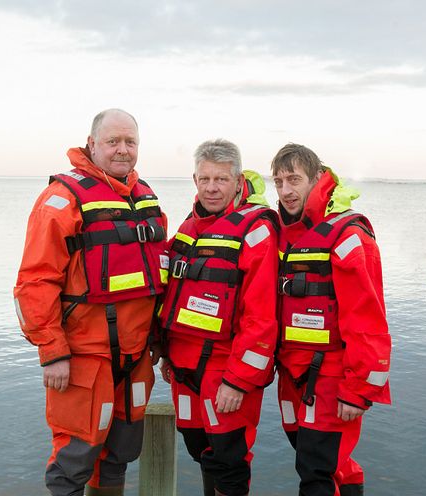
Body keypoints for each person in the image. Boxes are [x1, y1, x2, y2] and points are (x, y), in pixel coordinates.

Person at [13, 109, 168, 496]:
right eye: (113, 141)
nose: (122, 150)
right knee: (73, 461)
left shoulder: (145, 196)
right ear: (92, 143)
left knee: (118, 456)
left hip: (134, 361)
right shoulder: (62, 198)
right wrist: (52, 351)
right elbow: (34, 281)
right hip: (84, 361)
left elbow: (161, 273)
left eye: (130, 142)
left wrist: (161, 340)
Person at [159, 139, 279, 496]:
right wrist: (166, 352)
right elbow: (171, 295)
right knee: (200, 451)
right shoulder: (188, 227)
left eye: (221, 180)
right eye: (205, 178)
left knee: (229, 461)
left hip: (226, 372)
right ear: (194, 179)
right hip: (183, 368)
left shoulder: (256, 232)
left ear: (238, 182)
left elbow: (262, 318)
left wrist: (239, 381)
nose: (212, 188)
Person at [271, 143, 391, 496]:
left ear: (317, 179)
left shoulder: (348, 236)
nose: (286, 191)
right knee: (331, 466)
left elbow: (368, 320)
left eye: (294, 179)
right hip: (293, 375)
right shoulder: (284, 231)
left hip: (332, 376)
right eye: (278, 182)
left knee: (316, 473)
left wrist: (358, 392)